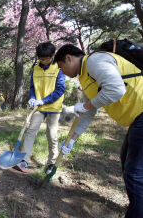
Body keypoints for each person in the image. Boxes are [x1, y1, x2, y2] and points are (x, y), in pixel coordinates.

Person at [53, 44, 143, 218]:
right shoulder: (85, 78)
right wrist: (72, 139)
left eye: (60, 66)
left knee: (135, 173)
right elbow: (88, 111)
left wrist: (84, 105)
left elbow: (116, 90)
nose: (62, 72)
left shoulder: (95, 61)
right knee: (127, 163)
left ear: (69, 58)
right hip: (136, 120)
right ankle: (137, 205)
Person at [14, 42, 66, 174]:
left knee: (52, 135)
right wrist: (32, 98)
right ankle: (24, 161)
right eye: (40, 58)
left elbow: (60, 89)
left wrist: (43, 100)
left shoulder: (59, 68)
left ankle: (51, 163)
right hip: (38, 107)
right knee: (31, 131)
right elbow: (32, 87)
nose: (43, 61)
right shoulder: (35, 69)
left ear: (53, 55)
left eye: (46, 58)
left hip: (53, 107)